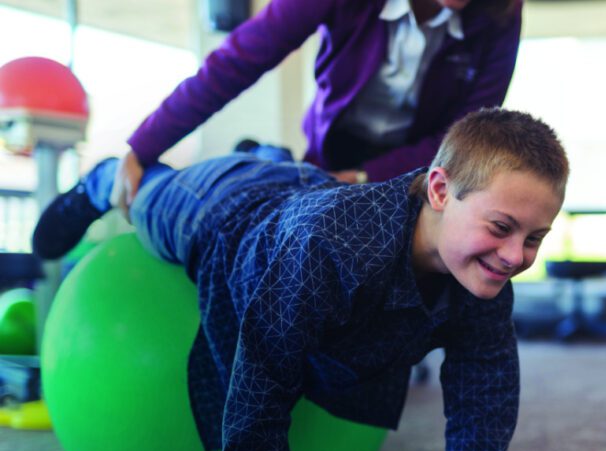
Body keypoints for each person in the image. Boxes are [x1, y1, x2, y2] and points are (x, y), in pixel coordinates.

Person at [33, 108, 574, 451]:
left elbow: (485, 396)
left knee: (284, 182)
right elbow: (259, 387)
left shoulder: (486, 274)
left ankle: (265, 155)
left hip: (307, 193)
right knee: (148, 199)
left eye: (535, 238)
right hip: (222, 211)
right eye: (502, 228)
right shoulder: (326, 246)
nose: (515, 256)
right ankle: (105, 178)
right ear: (439, 189)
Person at [31, 0, 523, 260]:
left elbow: (465, 138)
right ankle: (102, 181)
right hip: (331, 149)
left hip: (420, 163)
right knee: (275, 223)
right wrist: (142, 147)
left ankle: (266, 158)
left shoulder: (501, 12)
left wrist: (366, 178)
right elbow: (237, 61)